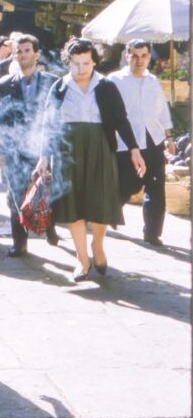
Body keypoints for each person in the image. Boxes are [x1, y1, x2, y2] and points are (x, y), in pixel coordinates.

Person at [35, 38, 145, 281]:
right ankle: (82, 259)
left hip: (100, 149)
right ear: (68, 63)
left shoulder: (106, 87)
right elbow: (48, 124)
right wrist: (44, 156)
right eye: (76, 63)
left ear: (94, 62)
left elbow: (121, 119)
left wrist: (134, 149)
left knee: (100, 200)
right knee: (73, 204)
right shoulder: (59, 88)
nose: (81, 69)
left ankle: (97, 245)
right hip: (66, 151)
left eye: (86, 63)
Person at [0, 34, 59, 257]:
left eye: (27, 50)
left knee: (47, 192)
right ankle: (19, 243)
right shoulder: (5, 84)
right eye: (18, 51)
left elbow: (57, 118)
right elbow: (0, 118)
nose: (22, 55)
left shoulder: (52, 82)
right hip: (15, 148)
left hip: (43, 147)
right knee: (15, 196)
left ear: (36, 54)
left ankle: (50, 228)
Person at [108, 39, 175, 247]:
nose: (139, 60)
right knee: (127, 185)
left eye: (144, 56)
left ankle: (152, 233)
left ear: (148, 57)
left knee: (156, 188)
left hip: (153, 139)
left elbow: (162, 111)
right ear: (126, 56)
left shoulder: (153, 81)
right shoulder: (114, 81)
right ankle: (109, 213)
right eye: (135, 56)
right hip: (126, 143)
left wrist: (169, 137)